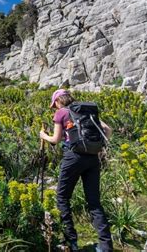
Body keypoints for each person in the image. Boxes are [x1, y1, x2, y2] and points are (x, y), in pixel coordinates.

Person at [39, 89, 113, 252]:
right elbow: (108, 130)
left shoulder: (61, 113)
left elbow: (55, 139)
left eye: (55, 104)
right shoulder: (85, 110)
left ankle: (71, 242)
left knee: (62, 198)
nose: (55, 108)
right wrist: (96, 146)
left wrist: (43, 135)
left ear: (58, 101)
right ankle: (106, 246)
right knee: (94, 202)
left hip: (73, 158)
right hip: (93, 158)